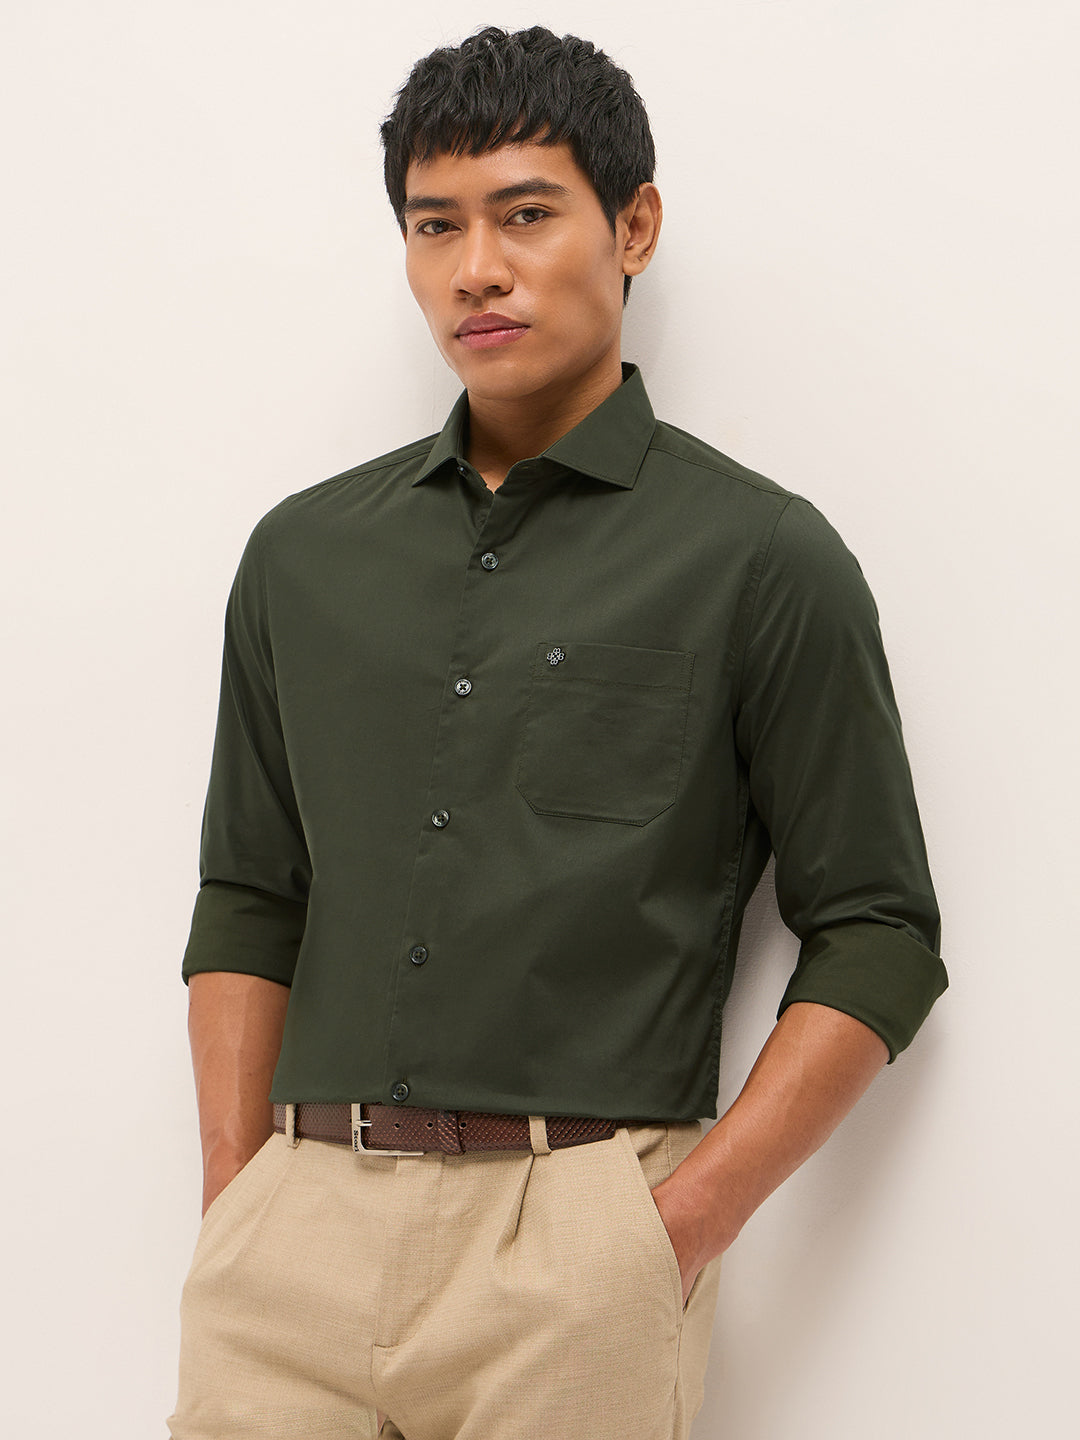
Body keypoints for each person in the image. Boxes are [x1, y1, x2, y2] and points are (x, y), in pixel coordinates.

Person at [168, 24, 947, 1440]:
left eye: (525, 213)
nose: (477, 267)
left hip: (577, 1248)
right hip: (292, 1245)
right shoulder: (301, 556)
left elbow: (880, 930)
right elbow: (250, 894)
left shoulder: (761, 559)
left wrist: (674, 1229)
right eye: (436, 225)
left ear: (631, 226)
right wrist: (237, 1200)